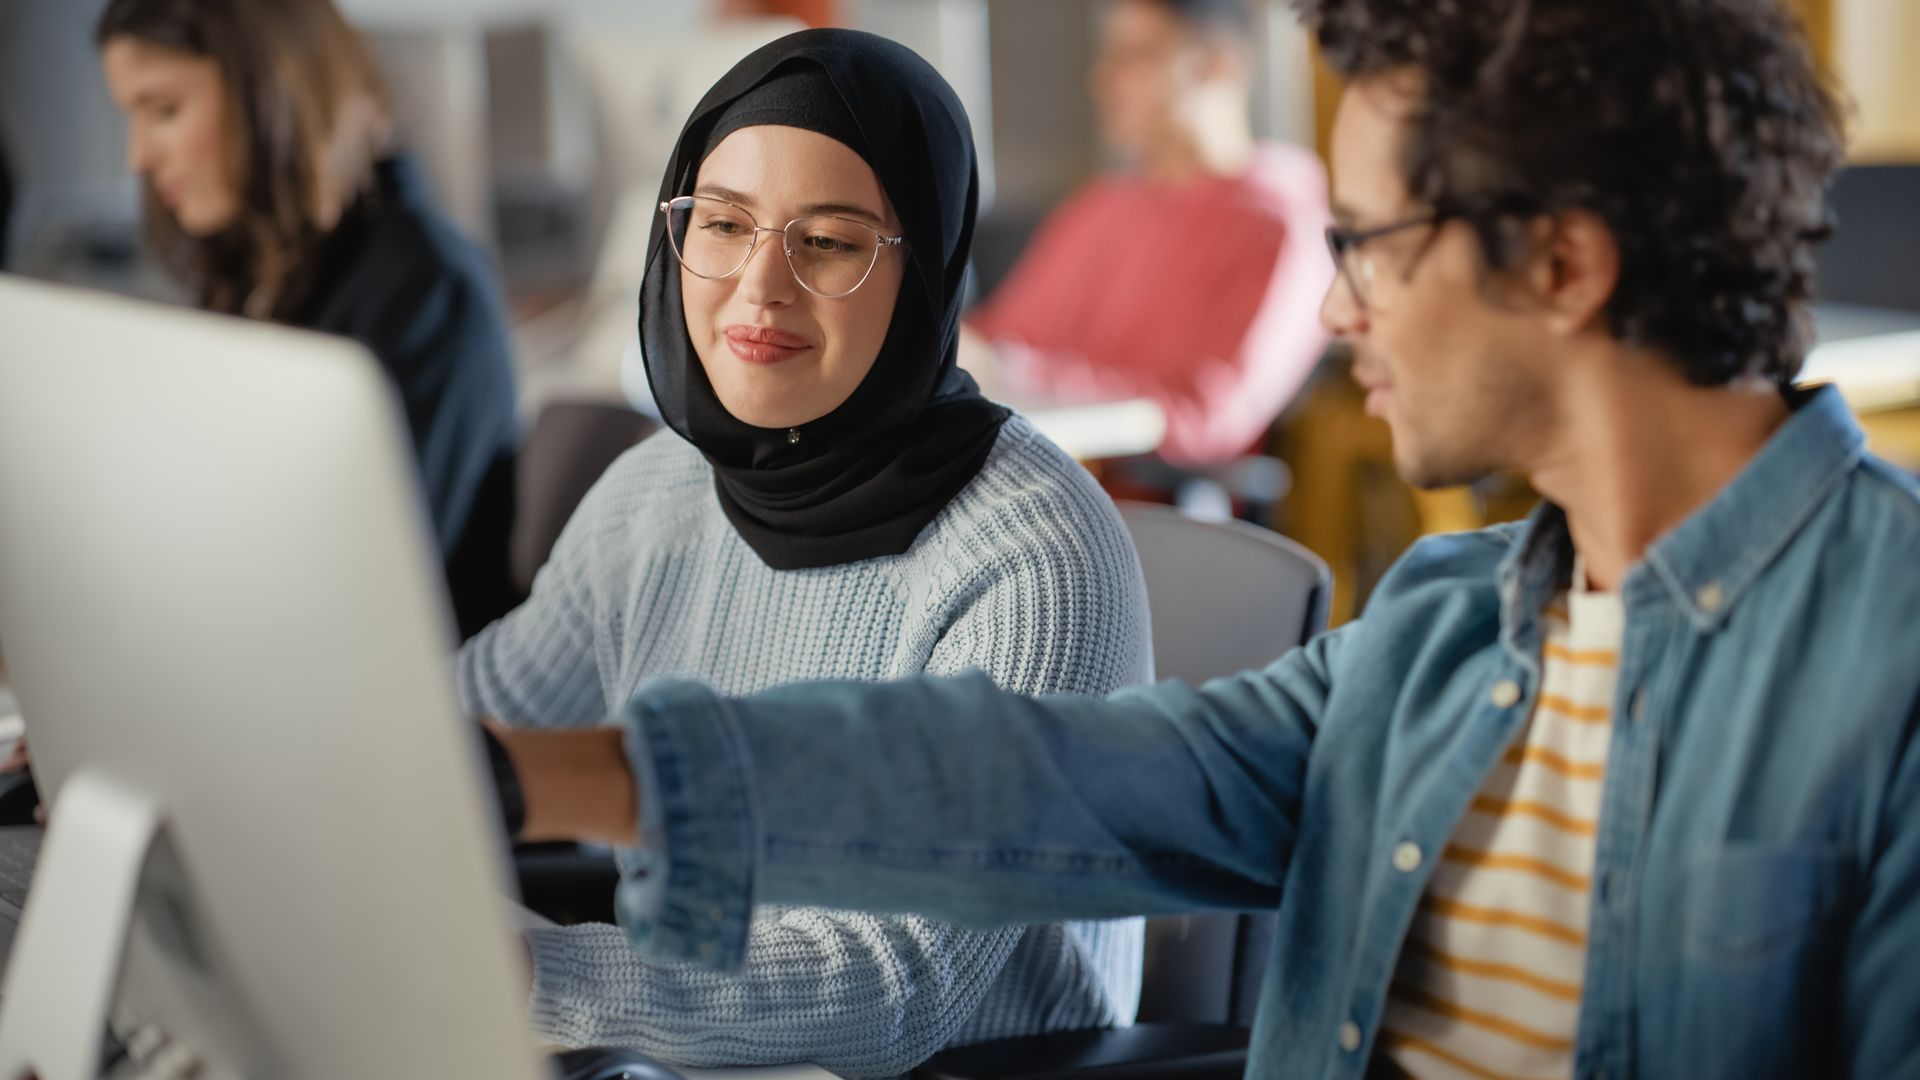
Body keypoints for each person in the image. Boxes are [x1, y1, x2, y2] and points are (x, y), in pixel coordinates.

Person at [484, 0, 1920, 1076]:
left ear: (1558, 264)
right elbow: (1049, 784)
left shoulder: (1890, 666)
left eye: (1364, 243)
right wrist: (554, 776)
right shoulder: (1438, 631)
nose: (1334, 306)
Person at [459, 30, 1151, 1075]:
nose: (758, 286)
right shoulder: (659, 492)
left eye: (828, 242)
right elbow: (475, 725)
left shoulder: (1034, 557)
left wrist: (533, 980)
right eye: (724, 224)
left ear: (925, 269)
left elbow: (898, 986)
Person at [95, 0, 520, 638]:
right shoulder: (258, 275)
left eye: (165, 110)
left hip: (394, 704)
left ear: (268, 92)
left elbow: (342, 598)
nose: (138, 158)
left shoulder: (428, 292)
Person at [963, 0, 1332, 469]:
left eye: (1136, 55)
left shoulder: (1278, 224)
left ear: (1218, 64)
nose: (1104, 79)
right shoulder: (1100, 208)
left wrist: (1012, 367)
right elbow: (996, 343)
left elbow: (1209, 417)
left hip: (1159, 516)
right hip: (1039, 480)